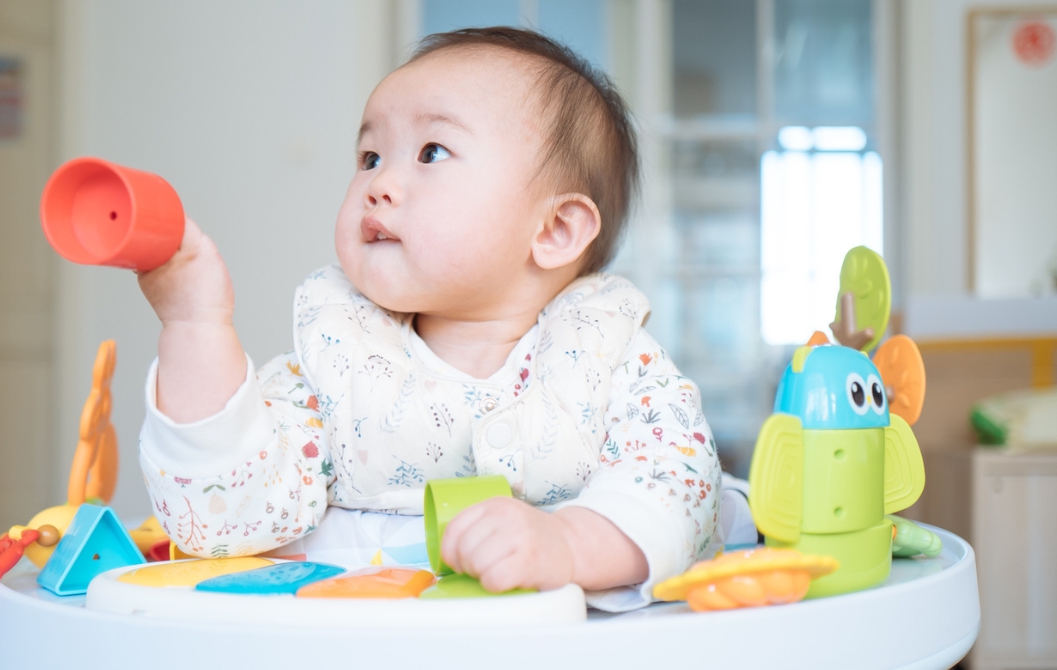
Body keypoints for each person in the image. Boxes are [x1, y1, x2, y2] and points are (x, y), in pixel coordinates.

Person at [136, 27, 723, 611]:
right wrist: (195, 323)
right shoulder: (335, 363)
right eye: (370, 157)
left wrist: (568, 543)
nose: (378, 185)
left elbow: (680, 485)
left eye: (432, 152)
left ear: (555, 230)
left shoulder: (610, 360)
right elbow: (220, 518)